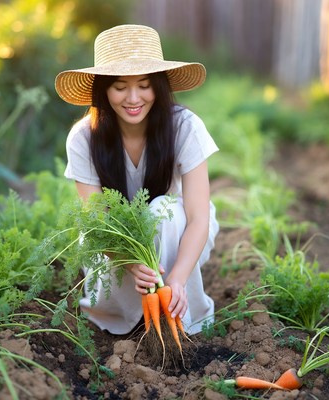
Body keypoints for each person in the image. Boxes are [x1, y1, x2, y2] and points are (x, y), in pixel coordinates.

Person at [55, 24, 219, 336]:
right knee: (110, 235)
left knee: (162, 211)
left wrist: (177, 280)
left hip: (175, 233)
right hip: (112, 243)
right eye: (119, 87)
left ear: (158, 85)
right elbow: (97, 222)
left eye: (144, 85)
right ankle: (125, 319)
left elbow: (199, 218)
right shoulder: (83, 138)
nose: (133, 98)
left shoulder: (185, 127)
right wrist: (130, 263)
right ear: (103, 89)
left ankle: (183, 319)